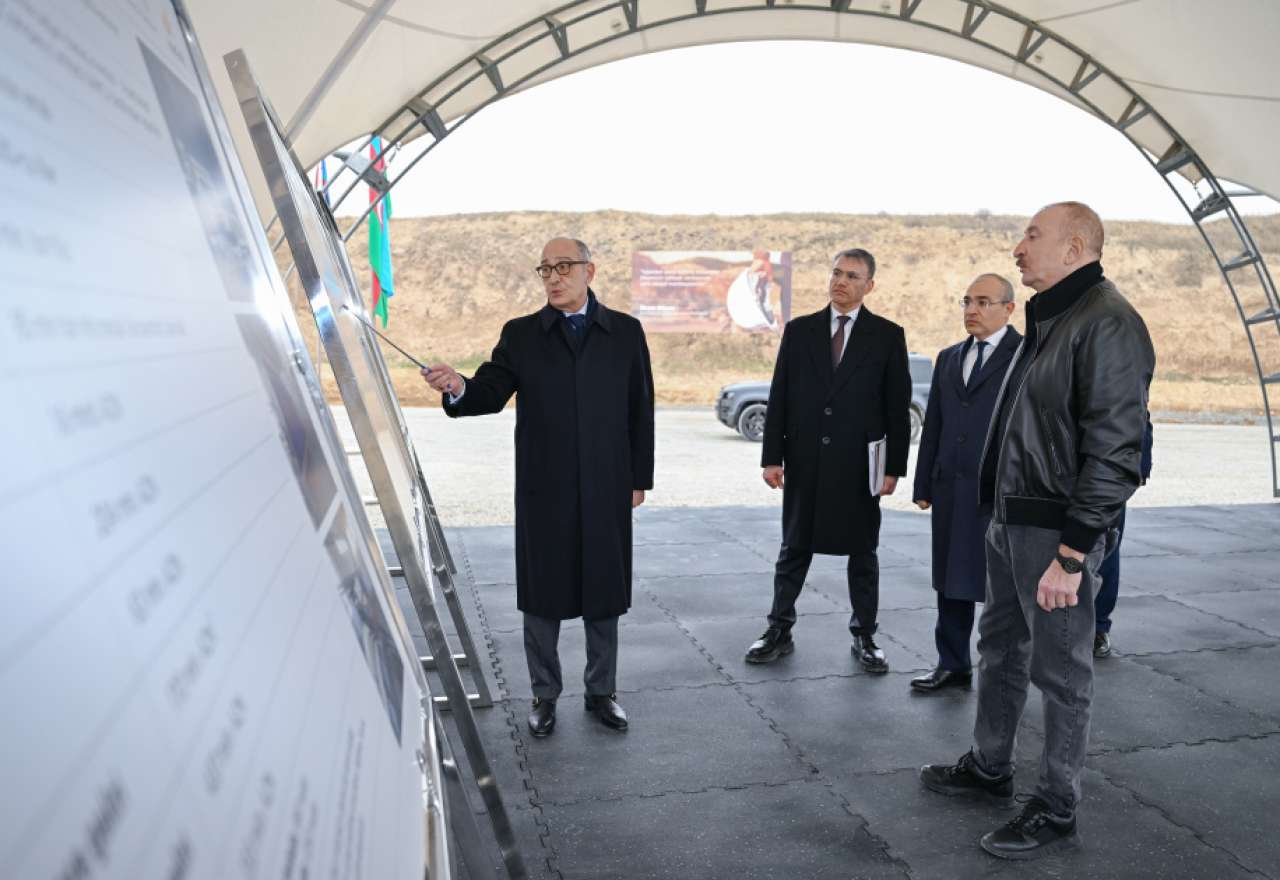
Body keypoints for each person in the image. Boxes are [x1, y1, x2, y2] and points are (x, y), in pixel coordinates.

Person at [919, 202, 1155, 860]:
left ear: (1074, 247)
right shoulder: (1051, 319)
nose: (1018, 248)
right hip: (1010, 521)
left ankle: (1056, 804)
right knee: (999, 648)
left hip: (1055, 534)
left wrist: (1072, 553)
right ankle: (990, 765)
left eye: (1032, 235)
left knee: (1061, 672)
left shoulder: (1108, 323)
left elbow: (1116, 453)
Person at [420, 237, 655, 738]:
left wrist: (639, 479)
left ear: (590, 271)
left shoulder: (626, 332)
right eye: (545, 269)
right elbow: (488, 392)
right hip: (544, 488)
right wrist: (458, 386)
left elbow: (640, 407)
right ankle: (544, 696)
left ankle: (601, 692)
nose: (553, 277)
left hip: (606, 483)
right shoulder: (522, 334)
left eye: (564, 266)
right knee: (542, 594)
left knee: (605, 591)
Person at [744, 248, 912, 672]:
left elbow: (896, 407)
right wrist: (772, 457)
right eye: (837, 272)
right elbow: (780, 394)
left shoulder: (887, 335)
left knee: (863, 553)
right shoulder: (799, 331)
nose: (841, 281)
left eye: (852, 276)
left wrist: (893, 467)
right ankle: (778, 629)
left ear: (869, 285)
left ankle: (865, 635)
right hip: (806, 462)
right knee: (793, 549)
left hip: (859, 467)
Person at [911, 273, 1022, 692]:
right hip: (951, 489)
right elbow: (934, 426)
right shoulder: (949, 357)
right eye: (967, 301)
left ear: (1009, 309)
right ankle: (952, 663)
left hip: (999, 491)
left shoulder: (1026, 356)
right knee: (950, 579)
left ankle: (1005, 670)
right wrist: (923, 484)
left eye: (983, 302)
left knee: (1002, 585)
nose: (971, 310)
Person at [1093, 418, 1154, 658]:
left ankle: (1097, 627)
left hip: (1111, 469)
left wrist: (1140, 466)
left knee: (1105, 549)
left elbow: (1138, 412)